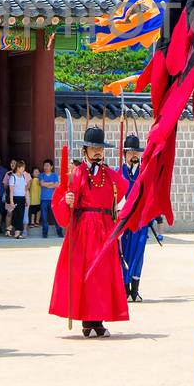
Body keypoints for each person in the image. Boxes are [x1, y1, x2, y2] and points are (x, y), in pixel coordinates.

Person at [48, 127, 129, 337]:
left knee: (102, 275)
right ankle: (86, 320)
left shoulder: (109, 175)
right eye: (93, 148)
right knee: (85, 274)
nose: (97, 152)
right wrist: (67, 202)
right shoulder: (76, 174)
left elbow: (123, 191)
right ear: (85, 150)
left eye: (100, 148)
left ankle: (98, 320)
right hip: (83, 229)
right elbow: (63, 204)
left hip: (104, 228)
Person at [117, 134, 153, 301]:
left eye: (136, 153)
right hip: (124, 220)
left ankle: (135, 289)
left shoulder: (144, 173)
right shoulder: (119, 173)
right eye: (130, 152)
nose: (134, 156)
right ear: (124, 154)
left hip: (140, 221)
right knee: (124, 252)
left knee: (138, 252)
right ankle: (124, 288)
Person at [36, 158, 62, 237]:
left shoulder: (54, 175)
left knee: (55, 216)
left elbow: (57, 185)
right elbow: (41, 184)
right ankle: (45, 233)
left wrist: (47, 184)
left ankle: (59, 232)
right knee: (44, 217)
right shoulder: (41, 175)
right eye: (44, 165)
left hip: (53, 199)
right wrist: (51, 184)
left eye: (47, 165)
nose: (45, 167)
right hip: (43, 199)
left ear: (51, 167)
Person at [6, 159, 31, 238]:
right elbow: (11, 190)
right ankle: (10, 228)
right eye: (21, 168)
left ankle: (17, 233)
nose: (23, 169)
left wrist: (26, 199)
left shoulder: (23, 176)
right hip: (15, 198)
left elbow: (24, 188)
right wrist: (11, 201)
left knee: (21, 216)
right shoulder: (13, 177)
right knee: (16, 216)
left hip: (22, 198)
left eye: (24, 167)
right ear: (18, 168)